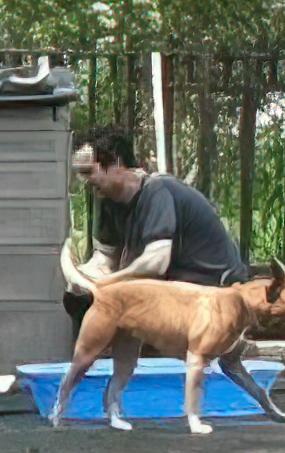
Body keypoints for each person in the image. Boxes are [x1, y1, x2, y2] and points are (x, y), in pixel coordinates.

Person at [63, 125, 248, 337]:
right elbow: (105, 257)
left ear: (115, 162)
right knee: (80, 298)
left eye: (88, 172)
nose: (84, 182)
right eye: (80, 175)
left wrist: (105, 283)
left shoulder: (157, 191)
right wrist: (84, 277)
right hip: (176, 288)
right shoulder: (107, 200)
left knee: (124, 300)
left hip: (216, 290)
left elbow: (155, 263)